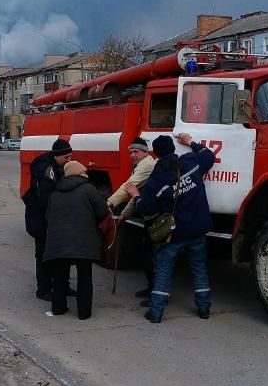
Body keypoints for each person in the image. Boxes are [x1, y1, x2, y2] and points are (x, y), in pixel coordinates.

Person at [124, 133, 215, 323]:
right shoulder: (190, 162)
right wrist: (190, 142)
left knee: (164, 272)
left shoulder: (157, 178)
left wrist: (136, 195)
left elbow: (146, 208)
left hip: (174, 234)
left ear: (155, 154)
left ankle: (155, 313)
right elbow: (208, 156)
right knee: (199, 270)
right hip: (198, 228)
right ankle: (204, 309)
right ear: (174, 149)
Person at [44, 161, 107, 320]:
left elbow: (48, 217)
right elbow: (102, 211)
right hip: (83, 240)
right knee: (85, 276)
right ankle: (84, 313)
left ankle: (58, 308)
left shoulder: (55, 192)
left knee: (59, 276)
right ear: (79, 173)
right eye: (84, 172)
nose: (87, 174)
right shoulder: (89, 189)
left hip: (58, 241)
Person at [106, 137, 157, 303]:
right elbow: (135, 194)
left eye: (136, 151)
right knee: (147, 254)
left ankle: (155, 293)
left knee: (151, 256)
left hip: (155, 216)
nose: (133, 155)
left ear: (145, 152)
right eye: (130, 152)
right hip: (149, 213)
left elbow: (128, 188)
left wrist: (109, 202)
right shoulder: (139, 165)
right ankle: (152, 289)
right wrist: (124, 214)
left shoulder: (146, 165)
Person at [23, 138, 74, 301]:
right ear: (56, 156)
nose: (69, 160)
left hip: (51, 219)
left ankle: (62, 285)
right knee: (44, 255)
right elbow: (45, 200)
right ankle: (44, 289)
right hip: (42, 220)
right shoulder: (46, 171)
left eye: (70, 156)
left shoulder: (56, 166)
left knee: (60, 255)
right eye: (66, 157)